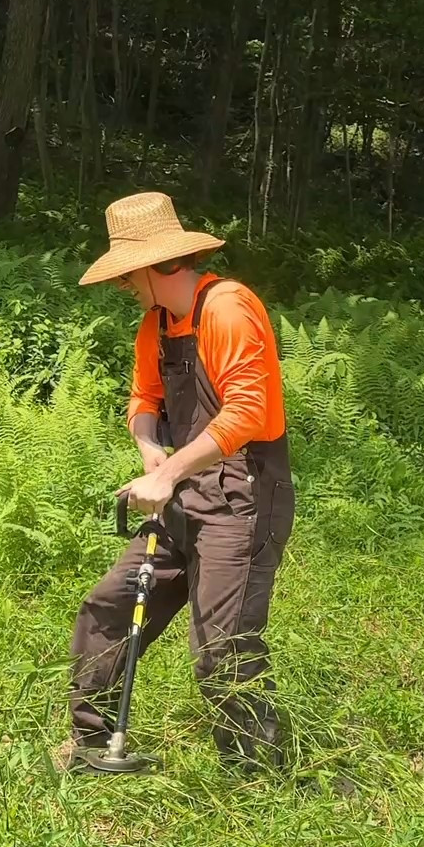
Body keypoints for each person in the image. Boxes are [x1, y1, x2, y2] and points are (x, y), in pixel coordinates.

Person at [55, 191, 295, 775]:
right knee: (108, 609)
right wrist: (149, 451)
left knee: (222, 650)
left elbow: (248, 413)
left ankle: (263, 779)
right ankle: (93, 746)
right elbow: (144, 399)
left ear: (150, 266)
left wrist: (167, 471)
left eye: (125, 275)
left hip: (243, 500)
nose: (122, 287)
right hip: (182, 497)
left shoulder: (228, 309)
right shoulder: (157, 324)